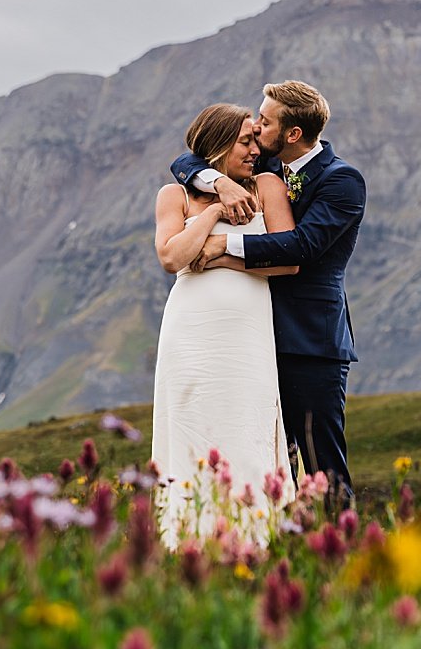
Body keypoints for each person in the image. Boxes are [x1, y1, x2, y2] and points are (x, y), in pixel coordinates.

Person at [171, 80, 365, 506]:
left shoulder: (343, 181)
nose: (256, 128)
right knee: (268, 461)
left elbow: (301, 248)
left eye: (265, 121)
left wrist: (222, 248)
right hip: (254, 343)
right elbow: (185, 161)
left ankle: (343, 555)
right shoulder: (269, 170)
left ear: (292, 134)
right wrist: (219, 184)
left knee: (322, 468)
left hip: (311, 345)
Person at [151, 104, 299, 548]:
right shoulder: (173, 196)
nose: (257, 149)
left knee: (244, 423)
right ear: (217, 143)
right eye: (246, 140)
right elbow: (172, 258)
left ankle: (253, 539)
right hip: (189, 332)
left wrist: (217, 253)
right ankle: (188, 542)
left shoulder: (268, 185)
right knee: (190, 424)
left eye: (257, 138)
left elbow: (288, 260)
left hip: (246, 334)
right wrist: (215, 211)